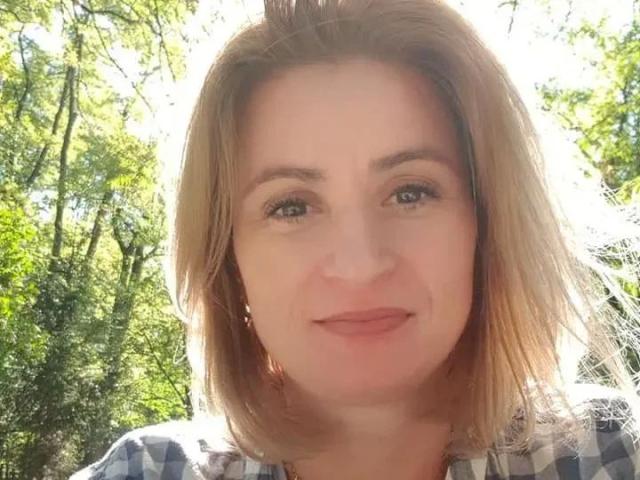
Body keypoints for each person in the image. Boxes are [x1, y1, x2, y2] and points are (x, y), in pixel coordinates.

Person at [71, 0, 640, 479]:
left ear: (488, 223)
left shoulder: (609, 455)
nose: (360, 264)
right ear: (227, 257)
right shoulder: (147, 470)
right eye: (291, 206)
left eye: (411, 192)